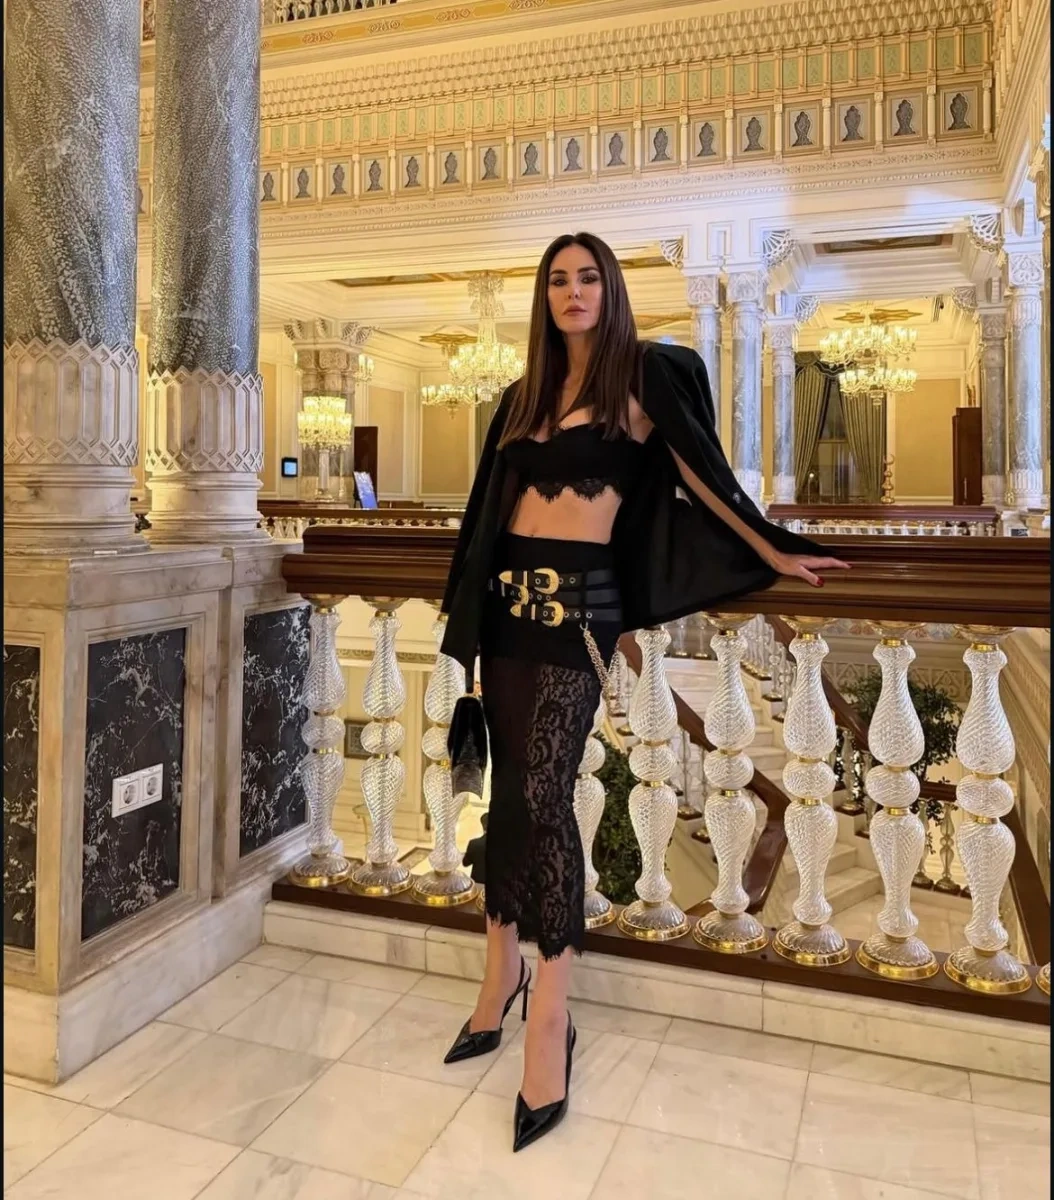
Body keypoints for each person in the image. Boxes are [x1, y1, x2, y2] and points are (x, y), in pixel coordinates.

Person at [438, 232, 847, 1152]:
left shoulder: (644, 377)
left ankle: (551, 1012)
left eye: (588, 277)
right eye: (558, 280)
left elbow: (705, 474)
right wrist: (463, 622)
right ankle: (499, 970)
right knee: (507, 802)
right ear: (544, 297)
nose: (573, 292)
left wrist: (773, 548)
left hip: (579, 615)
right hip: (504, 613)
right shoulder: (522, 397)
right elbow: (484, 517)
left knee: (546, 801)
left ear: (610, 290)